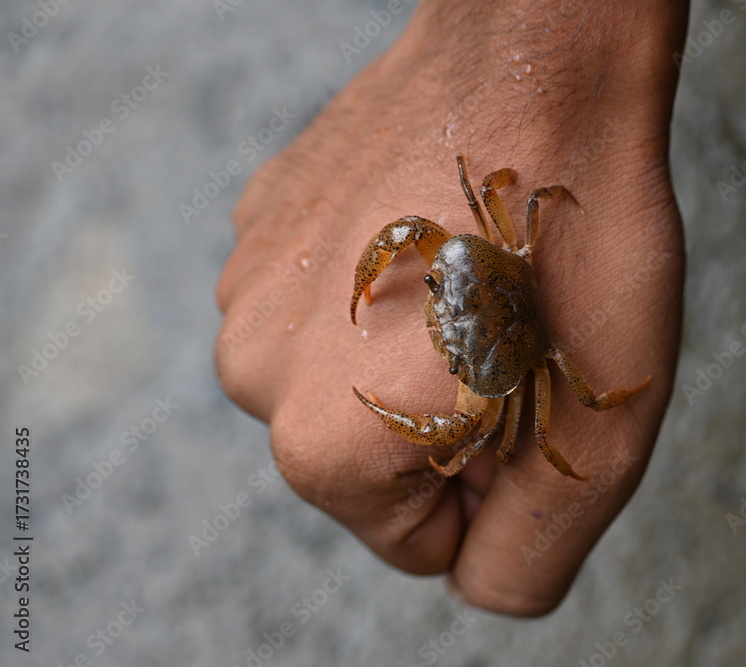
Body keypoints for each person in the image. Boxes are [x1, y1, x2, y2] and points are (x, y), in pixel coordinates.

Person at [214, 0, 687, 617]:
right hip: (495, 293)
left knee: (509, 437)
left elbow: (545, 425)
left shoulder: (519, 374)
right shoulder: (480, 238)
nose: (438, 330)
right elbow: (461, 204)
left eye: (452, 358)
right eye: (435, 291)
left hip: (518, 348)